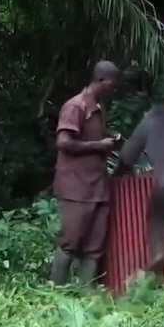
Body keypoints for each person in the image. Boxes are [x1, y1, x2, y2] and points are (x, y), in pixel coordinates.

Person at [50, 60, 121, 285]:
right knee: (71, 241)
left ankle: (86, 296)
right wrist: (98, 146)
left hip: (97, 187)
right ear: (100, 80)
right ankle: (56, 293)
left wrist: (109, 142)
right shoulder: (76, 106)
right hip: (76, 188)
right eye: (111, 84)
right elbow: (63, 142)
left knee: (94, 244)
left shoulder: (98, 109)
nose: (113, 89)